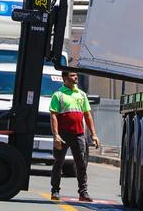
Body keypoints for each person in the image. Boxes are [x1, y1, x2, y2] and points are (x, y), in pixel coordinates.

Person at [49, 71, 100, 202]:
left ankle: (83, 193)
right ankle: (55, 191)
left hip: (78, 134)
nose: (75, 77)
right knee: (58, 162)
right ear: (65, 78)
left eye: (76, 75)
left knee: (81, 164)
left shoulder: (82, 94)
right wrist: (56, 135)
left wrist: (94, 135)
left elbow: (88, 115)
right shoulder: (58, 95)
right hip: (63, 135)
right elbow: (53, 115)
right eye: (72, 75)